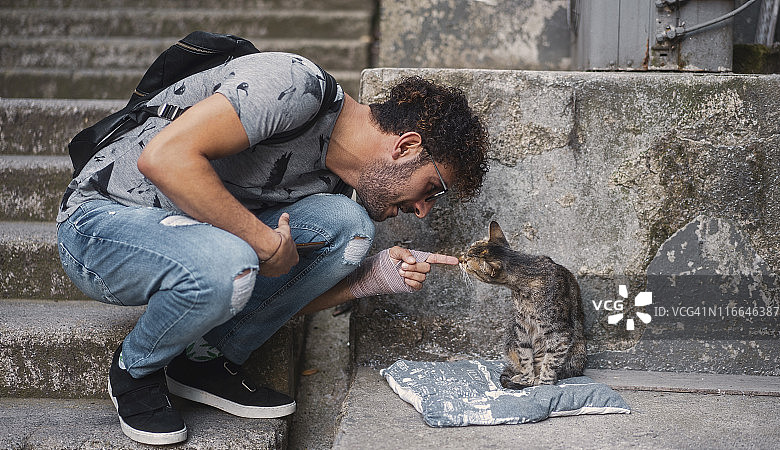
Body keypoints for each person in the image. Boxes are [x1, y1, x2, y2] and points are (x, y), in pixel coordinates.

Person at [56, 51, 489, 445]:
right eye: (431, 189)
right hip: (101, 222)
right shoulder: (291, 84)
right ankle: (137, 369)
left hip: (201, 244)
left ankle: (204, 359)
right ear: (406, 146)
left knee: (350, 228)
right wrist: (262, 241)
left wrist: (371, 279)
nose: (423, 210)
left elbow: (274, 298)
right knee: (234, 260)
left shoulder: (331, 180)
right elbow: (163, 157)